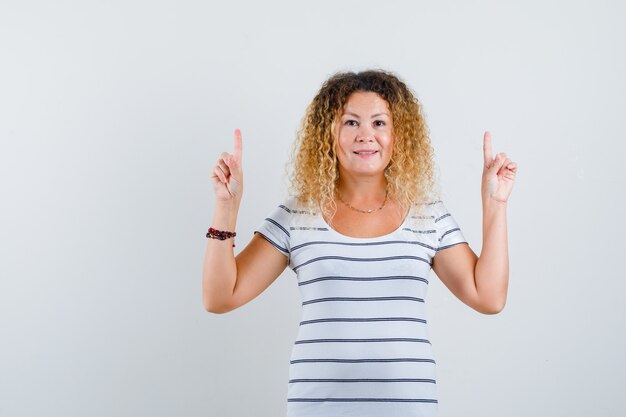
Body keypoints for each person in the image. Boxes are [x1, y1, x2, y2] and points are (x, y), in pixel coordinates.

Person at [202, 69, 517, 417]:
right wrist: (226, 207)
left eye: (379, 123)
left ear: (399, 135)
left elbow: (488, 298)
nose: (366, 135)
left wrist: (495, 204)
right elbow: (220, 297)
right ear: (329, 133)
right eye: (351, 123)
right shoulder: (297, 216)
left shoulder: (428, 216)